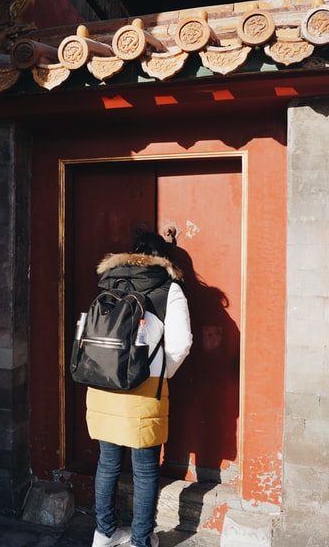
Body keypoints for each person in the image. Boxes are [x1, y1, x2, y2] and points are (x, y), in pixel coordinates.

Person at [86, 232, 193, 547]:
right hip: (144, 389)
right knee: (145, 470)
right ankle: (141, 540)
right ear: (164, 259)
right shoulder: (168, 289)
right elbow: (181, 343)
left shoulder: (109, 282)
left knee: (107, 462)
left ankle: (104, 533)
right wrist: (161, 373)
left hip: (103, 384)